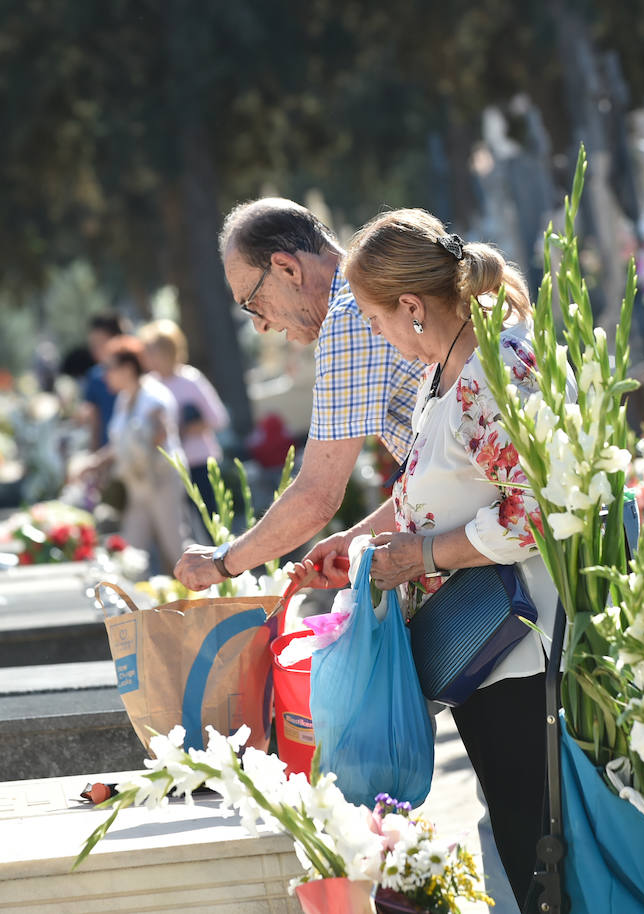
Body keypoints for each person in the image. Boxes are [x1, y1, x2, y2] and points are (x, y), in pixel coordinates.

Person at [292, 210, 561, 911]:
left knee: (544, 854)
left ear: (411, 307)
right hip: (485, 653)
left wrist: (423, 557)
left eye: (376, 321)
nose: (376, 336)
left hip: (528, 652)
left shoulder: (493, 372)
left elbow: (537, 510)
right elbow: (434, 493)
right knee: (522, 843)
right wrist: (364, 544)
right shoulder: (446, 375)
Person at [172, 198, 421, 590]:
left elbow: (316, 497)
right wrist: (356, 537)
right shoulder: (373, 291)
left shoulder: (348, 315)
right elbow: (439, 474)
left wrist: (223, 561)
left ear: (287, 268)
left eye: (253, 304)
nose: (260, 327)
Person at [78, 336, 187, 571]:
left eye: (109, 367)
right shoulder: (124, 399)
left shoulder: (154, 394)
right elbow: (120, 443)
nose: (104, 374)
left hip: (161, 480)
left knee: (175, 545)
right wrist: (96, 463)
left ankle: (210, 599)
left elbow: (162, 430)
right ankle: (126, 603)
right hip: (136, 485)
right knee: (130, 550)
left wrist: (147, 438)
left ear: (127, 368)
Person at [138, 319, 229, 519]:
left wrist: (185, 428)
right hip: (168, 468)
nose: (149, 357)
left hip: (200, 463)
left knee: (213, 520)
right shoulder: (148, 386)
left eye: (153, 351)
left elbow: (218, 418)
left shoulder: (190, 379)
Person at [81, 313, 126, 448]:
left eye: (100, 343)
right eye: (92, 344)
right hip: (107, 452)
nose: (95, 349)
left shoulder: (139, 371)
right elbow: (94, 422)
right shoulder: (94, 377)